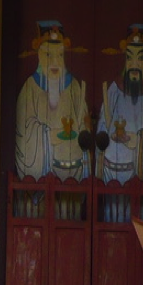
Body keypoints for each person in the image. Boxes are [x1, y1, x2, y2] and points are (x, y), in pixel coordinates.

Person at [96, 24, 143, 186]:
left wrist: (139, 140)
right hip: (113, 169)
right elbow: (102, 126)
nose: (134, 64)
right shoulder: (114, 90)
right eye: (129, 57)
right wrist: (109, 136)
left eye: (141, 58)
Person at [15, 21, 91, 180]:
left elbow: (84, 125)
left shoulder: (74, 87)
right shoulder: (30, 88)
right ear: (39, 55)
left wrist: (83, 130)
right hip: (43, 168)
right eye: (48, 55)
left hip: (72, 165)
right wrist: (47, 136)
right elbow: (23, 129)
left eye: (60, 55)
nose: (55, 62)